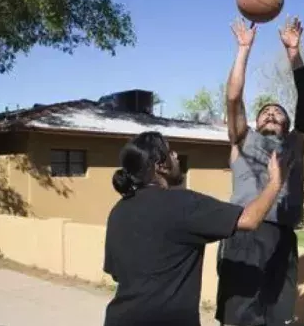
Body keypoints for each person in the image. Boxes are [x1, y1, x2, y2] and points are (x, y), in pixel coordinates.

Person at [103, 131, 287, 326]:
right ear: (160, 166)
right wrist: (275, 182)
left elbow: (116, 273)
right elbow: (249, 219)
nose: (175, 156)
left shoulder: (119, 211)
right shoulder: (182, 203)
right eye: (170, 152)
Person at [215, 16, 304, 326]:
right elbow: (233, 97)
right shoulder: (243, 139)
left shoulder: (296, 144)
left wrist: (294, 53)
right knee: (241, 317)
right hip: (245, 234)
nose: (271, 113)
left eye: (278, 111)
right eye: (265, 112)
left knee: (278, 319)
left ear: (286, 124)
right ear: (256, 123)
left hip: (284, 237)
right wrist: (243, 49)